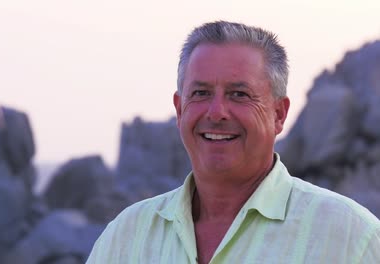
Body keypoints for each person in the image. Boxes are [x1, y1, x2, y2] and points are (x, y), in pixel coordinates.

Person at [87, 21, 380, 263]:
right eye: (200, 93)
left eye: (239, 94)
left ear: (279, 114)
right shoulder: (125, 238)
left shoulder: (352, 239)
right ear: (179, 110)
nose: (216, 113)